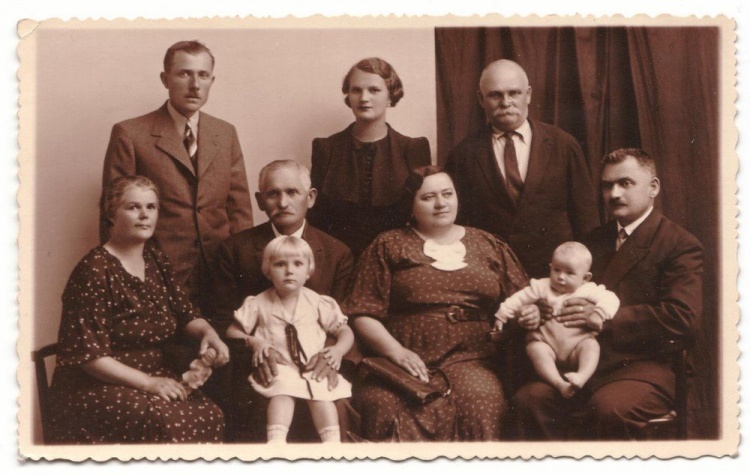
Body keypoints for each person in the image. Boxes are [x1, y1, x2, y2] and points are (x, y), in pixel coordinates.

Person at [512, 148, 703, 440]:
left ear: (653, 187)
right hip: (584, 363)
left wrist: (604, 319)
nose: (614, 194)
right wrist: (540, 310)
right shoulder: (592, 242)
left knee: (608, 408)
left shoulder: (679, 244)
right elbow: (559, 290)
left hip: (645, 368)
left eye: (625, 183)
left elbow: (681, 317)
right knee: (529, 401)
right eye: (607, 185)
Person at [343, 166, 535, 441]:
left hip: (473, 357)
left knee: (481, 400)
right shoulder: (388, 245)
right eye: (428, 197)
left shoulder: (488, 244)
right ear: (411, 206)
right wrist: (397, 353)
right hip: (403, 358)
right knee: (382, 403)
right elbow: (363, 312)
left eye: (447, 194)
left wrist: (528, 313)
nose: (441, 203)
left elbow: (525, 298)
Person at [48, 176, 230, 444]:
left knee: (211, 415)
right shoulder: (94, 270)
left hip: (153, 377)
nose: (145, 215)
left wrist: (209, 333)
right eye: (134, 207)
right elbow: (89, 356)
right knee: (166, 422)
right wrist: (147, 383)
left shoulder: (155, 259)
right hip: (96, 386)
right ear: (111, 214)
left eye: (151, 207)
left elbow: (185, 313)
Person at [101, 40, 253, 311]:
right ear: (165, 79)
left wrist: (245, 269)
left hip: (220, 274)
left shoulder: (225, 133)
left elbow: (239, 209)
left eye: (203, 75)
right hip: (156, 274)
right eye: (184, 74)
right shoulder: (130, 134)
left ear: (212, 81)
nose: (195, 85)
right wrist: (121, 277)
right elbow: (112, 215)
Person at [210, 159, 354, 441]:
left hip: (319, 362)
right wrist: (255, 353)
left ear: (310, 197)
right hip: (259, 362)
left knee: (336, 406)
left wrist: (329, 356)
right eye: (273, 194)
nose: (283, 202)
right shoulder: (235, 250)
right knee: (251, 407)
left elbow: (345, 320)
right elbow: (223, 319)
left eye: (292, 192)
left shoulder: (336, 252)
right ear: (259, 201)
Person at [445, 59, 600, 279]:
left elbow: (586, 219)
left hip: (555, 276)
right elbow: (457, 225)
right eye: (495, 95)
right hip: (492, 273)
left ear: (528, 95)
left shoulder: (563, 145)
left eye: (514, 93)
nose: (506, 102)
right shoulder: (463, 154)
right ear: (481, 99)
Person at [226, 236, 354, 444]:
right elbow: (233, 331)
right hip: (281, 366)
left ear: (308, 271)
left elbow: (344, 331)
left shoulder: (317, 302)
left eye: (298, 264)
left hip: (312, 366)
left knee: (322, 395)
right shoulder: (258, 303)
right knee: (282, 392)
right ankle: (276, 441)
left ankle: (332, 443)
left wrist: (338, 350)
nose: (289, 271)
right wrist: (255, 342)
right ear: (268, 271)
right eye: (280, 264)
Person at [308, 57, 432, 257]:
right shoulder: (326, 148)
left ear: (390, 95)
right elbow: (316, 217)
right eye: (356, 90)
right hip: (339, 258)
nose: (364, 98)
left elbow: (423, 217)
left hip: (398, 256)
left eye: (374, 90)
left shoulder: (413, 149)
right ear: (348, 96)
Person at [496, 241, 620, 398]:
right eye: (556, 270)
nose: (561, 277)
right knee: (535, 348)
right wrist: (502, 315)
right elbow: (519, 298)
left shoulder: (587, 289)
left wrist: (599, 314)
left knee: (591, 346)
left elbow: (611, 299)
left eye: (570, 273)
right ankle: (558, 383)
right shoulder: (542, 286)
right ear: (550, 267)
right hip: (547, 343)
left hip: (577, 345)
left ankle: (582, 376)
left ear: (585, 278)